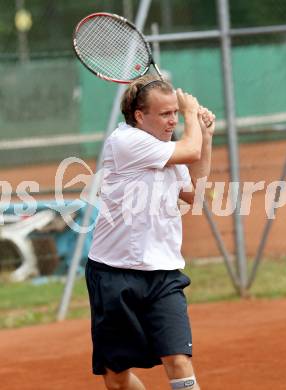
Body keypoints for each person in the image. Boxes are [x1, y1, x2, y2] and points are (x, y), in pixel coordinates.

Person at [86, 74, 215, 390]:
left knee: (179, 361)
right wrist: (190, 114)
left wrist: (206, 137)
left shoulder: (166, 147)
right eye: (165, 113)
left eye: (174, 112)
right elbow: (190, 150)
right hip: (115, 275)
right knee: (115, 376)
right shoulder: (125, 141)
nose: (172, 120)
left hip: (163, 274)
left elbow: (196, 194)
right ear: (140, 116)